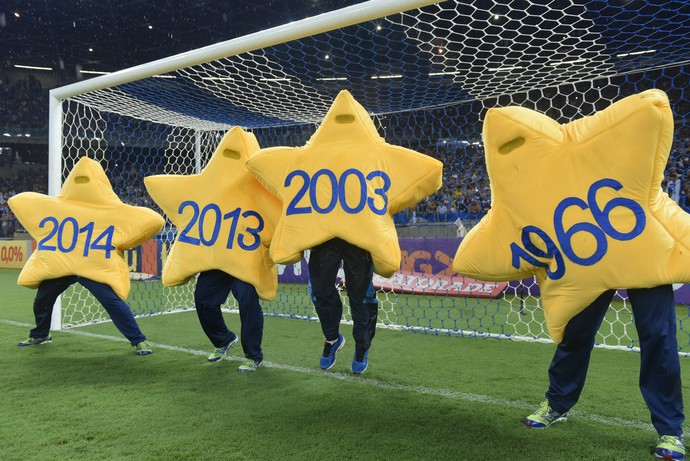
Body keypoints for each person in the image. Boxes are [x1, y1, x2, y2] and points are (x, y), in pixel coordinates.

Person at [525, 284, 685, 461]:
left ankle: (670, 430)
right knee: (576, 329)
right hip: (597, 259)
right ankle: (557, 403)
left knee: (658, 336)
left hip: (646, 260)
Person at [19, 275, 152, 356]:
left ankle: (139, 340)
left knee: (112, 301)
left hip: (89, 265)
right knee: (42, 300)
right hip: (64, 265)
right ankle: (41, 335)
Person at [309, 237, 379, 375]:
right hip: (324, 233)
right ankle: (332, 339)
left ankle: (361, 347)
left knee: (361, 296)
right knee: (319, 291)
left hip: (356, 232)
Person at [194, 269, 264, 372]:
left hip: (244, 264)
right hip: (217, 264)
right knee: (203, 298)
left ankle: (254, 356)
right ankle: (224, 340)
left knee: (248, 303)